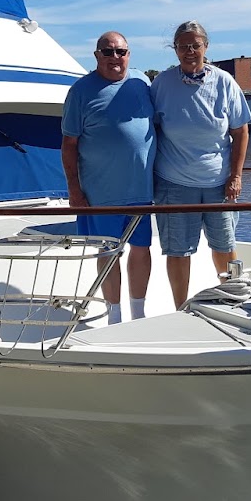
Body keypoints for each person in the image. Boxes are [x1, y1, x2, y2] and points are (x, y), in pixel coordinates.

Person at [150, 21, 251, 309]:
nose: (190, 51)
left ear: (206, 47)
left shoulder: (225, 82)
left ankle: (232, 301)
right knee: (178, 251)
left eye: (195, 45)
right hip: (174, 183)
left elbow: (241, 131)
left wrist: (236, 176)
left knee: (225, 247)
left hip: (219, 184)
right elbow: (150, 129)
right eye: (183, 46)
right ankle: (180, 308)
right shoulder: (161, 84)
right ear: (175, 49)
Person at [61, 31, 156, 324]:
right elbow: (69, 145)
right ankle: (114, 316)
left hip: (141, 191)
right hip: (101, 194)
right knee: (108, 252)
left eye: (121, 51)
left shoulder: (142, 82)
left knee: (142, 249)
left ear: (129, 54)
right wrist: (74, 191)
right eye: (108, 52)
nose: (115, 57)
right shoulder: (80, 91)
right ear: (97, 55)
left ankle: (138, 315)